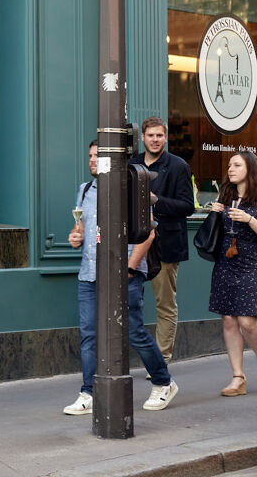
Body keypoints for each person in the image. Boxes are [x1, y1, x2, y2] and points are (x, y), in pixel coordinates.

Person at [64, 141, 177, 416]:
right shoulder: (85, 189)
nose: (92, 160)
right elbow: (79, 232)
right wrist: (74, 237)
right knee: (89, 335)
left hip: (124, 272)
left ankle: (164, 383)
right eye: (89, 155)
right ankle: (88, 393)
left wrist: (129, 267)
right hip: (90, 273)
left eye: (97, 156)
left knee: (133, 331)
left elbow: (149, 232)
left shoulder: (131, 188)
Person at [129, 116, 194, 361]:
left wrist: (156, 200)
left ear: (165, 137)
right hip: (134, 243)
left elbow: (188, 206)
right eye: (151, 135)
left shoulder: (178, 165)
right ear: (143, 138)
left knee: (165, 304)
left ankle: (161, 358)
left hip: (165, 244)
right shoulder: (132, 164)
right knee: (131, 301)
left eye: (160, 135)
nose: (155, 140)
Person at [207, 151, 257, 398]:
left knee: (247, 322)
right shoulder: (226, 196)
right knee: (228, 319)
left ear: (250, 168)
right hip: (226, 262)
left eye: (237, 165)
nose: (231, 169)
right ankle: (238, 377)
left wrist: (249, 219)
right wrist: (215, 212)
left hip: (252, 262)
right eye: (229, 165)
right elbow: (216, 231)